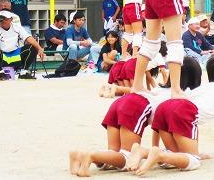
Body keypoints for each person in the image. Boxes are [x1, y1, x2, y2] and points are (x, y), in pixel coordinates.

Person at [69, 57, 202, 177]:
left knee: (114, 153)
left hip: (120, 102)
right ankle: (91, 155)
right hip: (135, 107)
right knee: (127, 157)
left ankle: (79, 155)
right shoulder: (180, 96)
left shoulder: (158, 89)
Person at [128, 55, 214, 176]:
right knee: (193, 160)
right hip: (182, 112)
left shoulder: (201, 89)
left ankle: (143, 151)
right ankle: (159, 154)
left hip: (165, 108)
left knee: (175, 155)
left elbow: (190, 123)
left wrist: (155, 145)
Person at [0, 10, 44, 80]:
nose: (3, 20)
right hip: (1, 58)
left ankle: (23, 73)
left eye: (5, 18)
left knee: (33, 47)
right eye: (1, 18)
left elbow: (28, 38)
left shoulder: (17, 26)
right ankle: (0, 73)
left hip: (15, 56)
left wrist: (39, 48)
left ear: (11, 19)